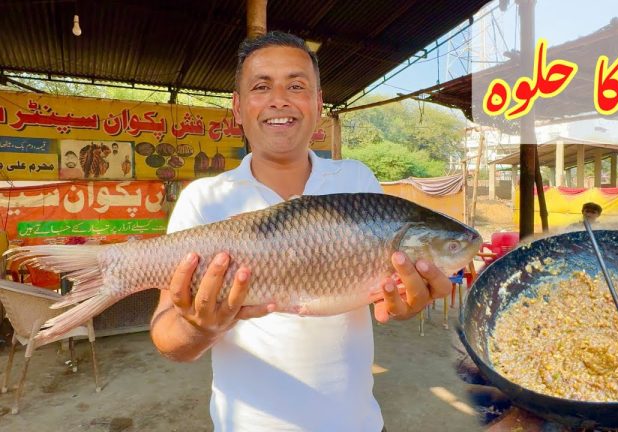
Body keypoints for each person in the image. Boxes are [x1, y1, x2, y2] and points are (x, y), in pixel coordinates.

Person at [149, 31, 452, 432]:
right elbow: (168, 339)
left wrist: (401, 303)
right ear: (238, 108)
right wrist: (197, 326)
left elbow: (384, 298)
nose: (280, 99)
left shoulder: (357, 181)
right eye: (261, 87)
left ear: (318, 104)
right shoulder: (203, 199)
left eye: (296, 86)